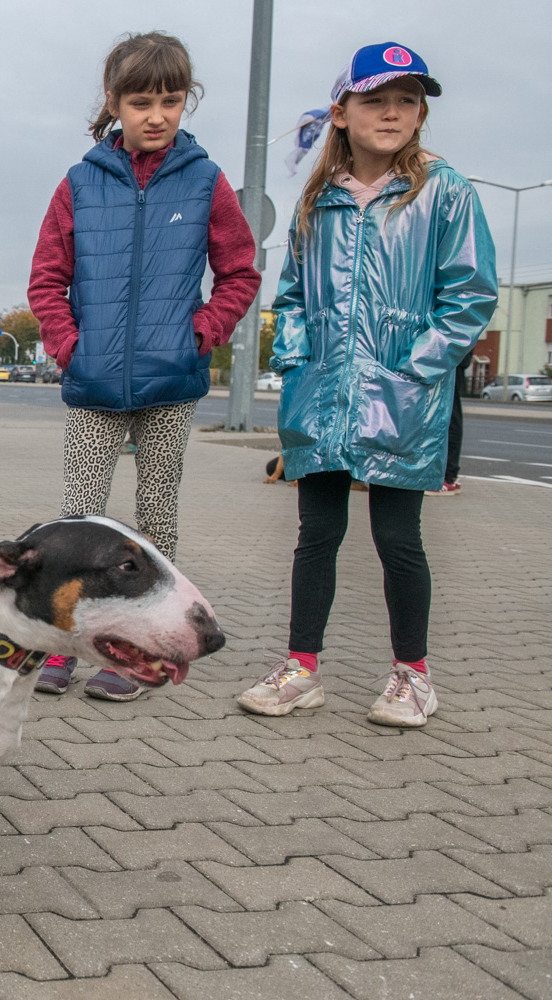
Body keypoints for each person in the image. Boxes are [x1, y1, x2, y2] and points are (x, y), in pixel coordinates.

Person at [236, 43, 496, 729]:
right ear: (342, 112)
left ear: (420, 113)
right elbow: (291, 293)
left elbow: (469, 294)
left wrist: (413, 370)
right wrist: (295, 363)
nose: (392, 112)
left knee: (398, 538)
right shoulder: (316, 199)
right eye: (376, 99)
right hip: (320, 398)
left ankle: (413, 676)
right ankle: (301, 668)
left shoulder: (445, 192)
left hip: (403, 399)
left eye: (407, 100)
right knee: (316, 533)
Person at [27, 31, 260, 701]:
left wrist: (202, 334)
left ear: (186, 102)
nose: (156, 115)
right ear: (114, 104)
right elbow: (47, 277)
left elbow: (240, 273)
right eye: (141, 101)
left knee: (156, 518)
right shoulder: (79, 183)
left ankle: (143, 650)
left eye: (171, 100)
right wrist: (69, 344)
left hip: (170, 382)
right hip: (94, 383)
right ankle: (62, 643)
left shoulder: (207, 181)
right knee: (78, 517)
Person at [427, 353, 472, 496]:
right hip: (449, 354)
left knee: (448, 414)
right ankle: (448, 476)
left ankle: (446, 477)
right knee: (448, 413)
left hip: (449, 354)